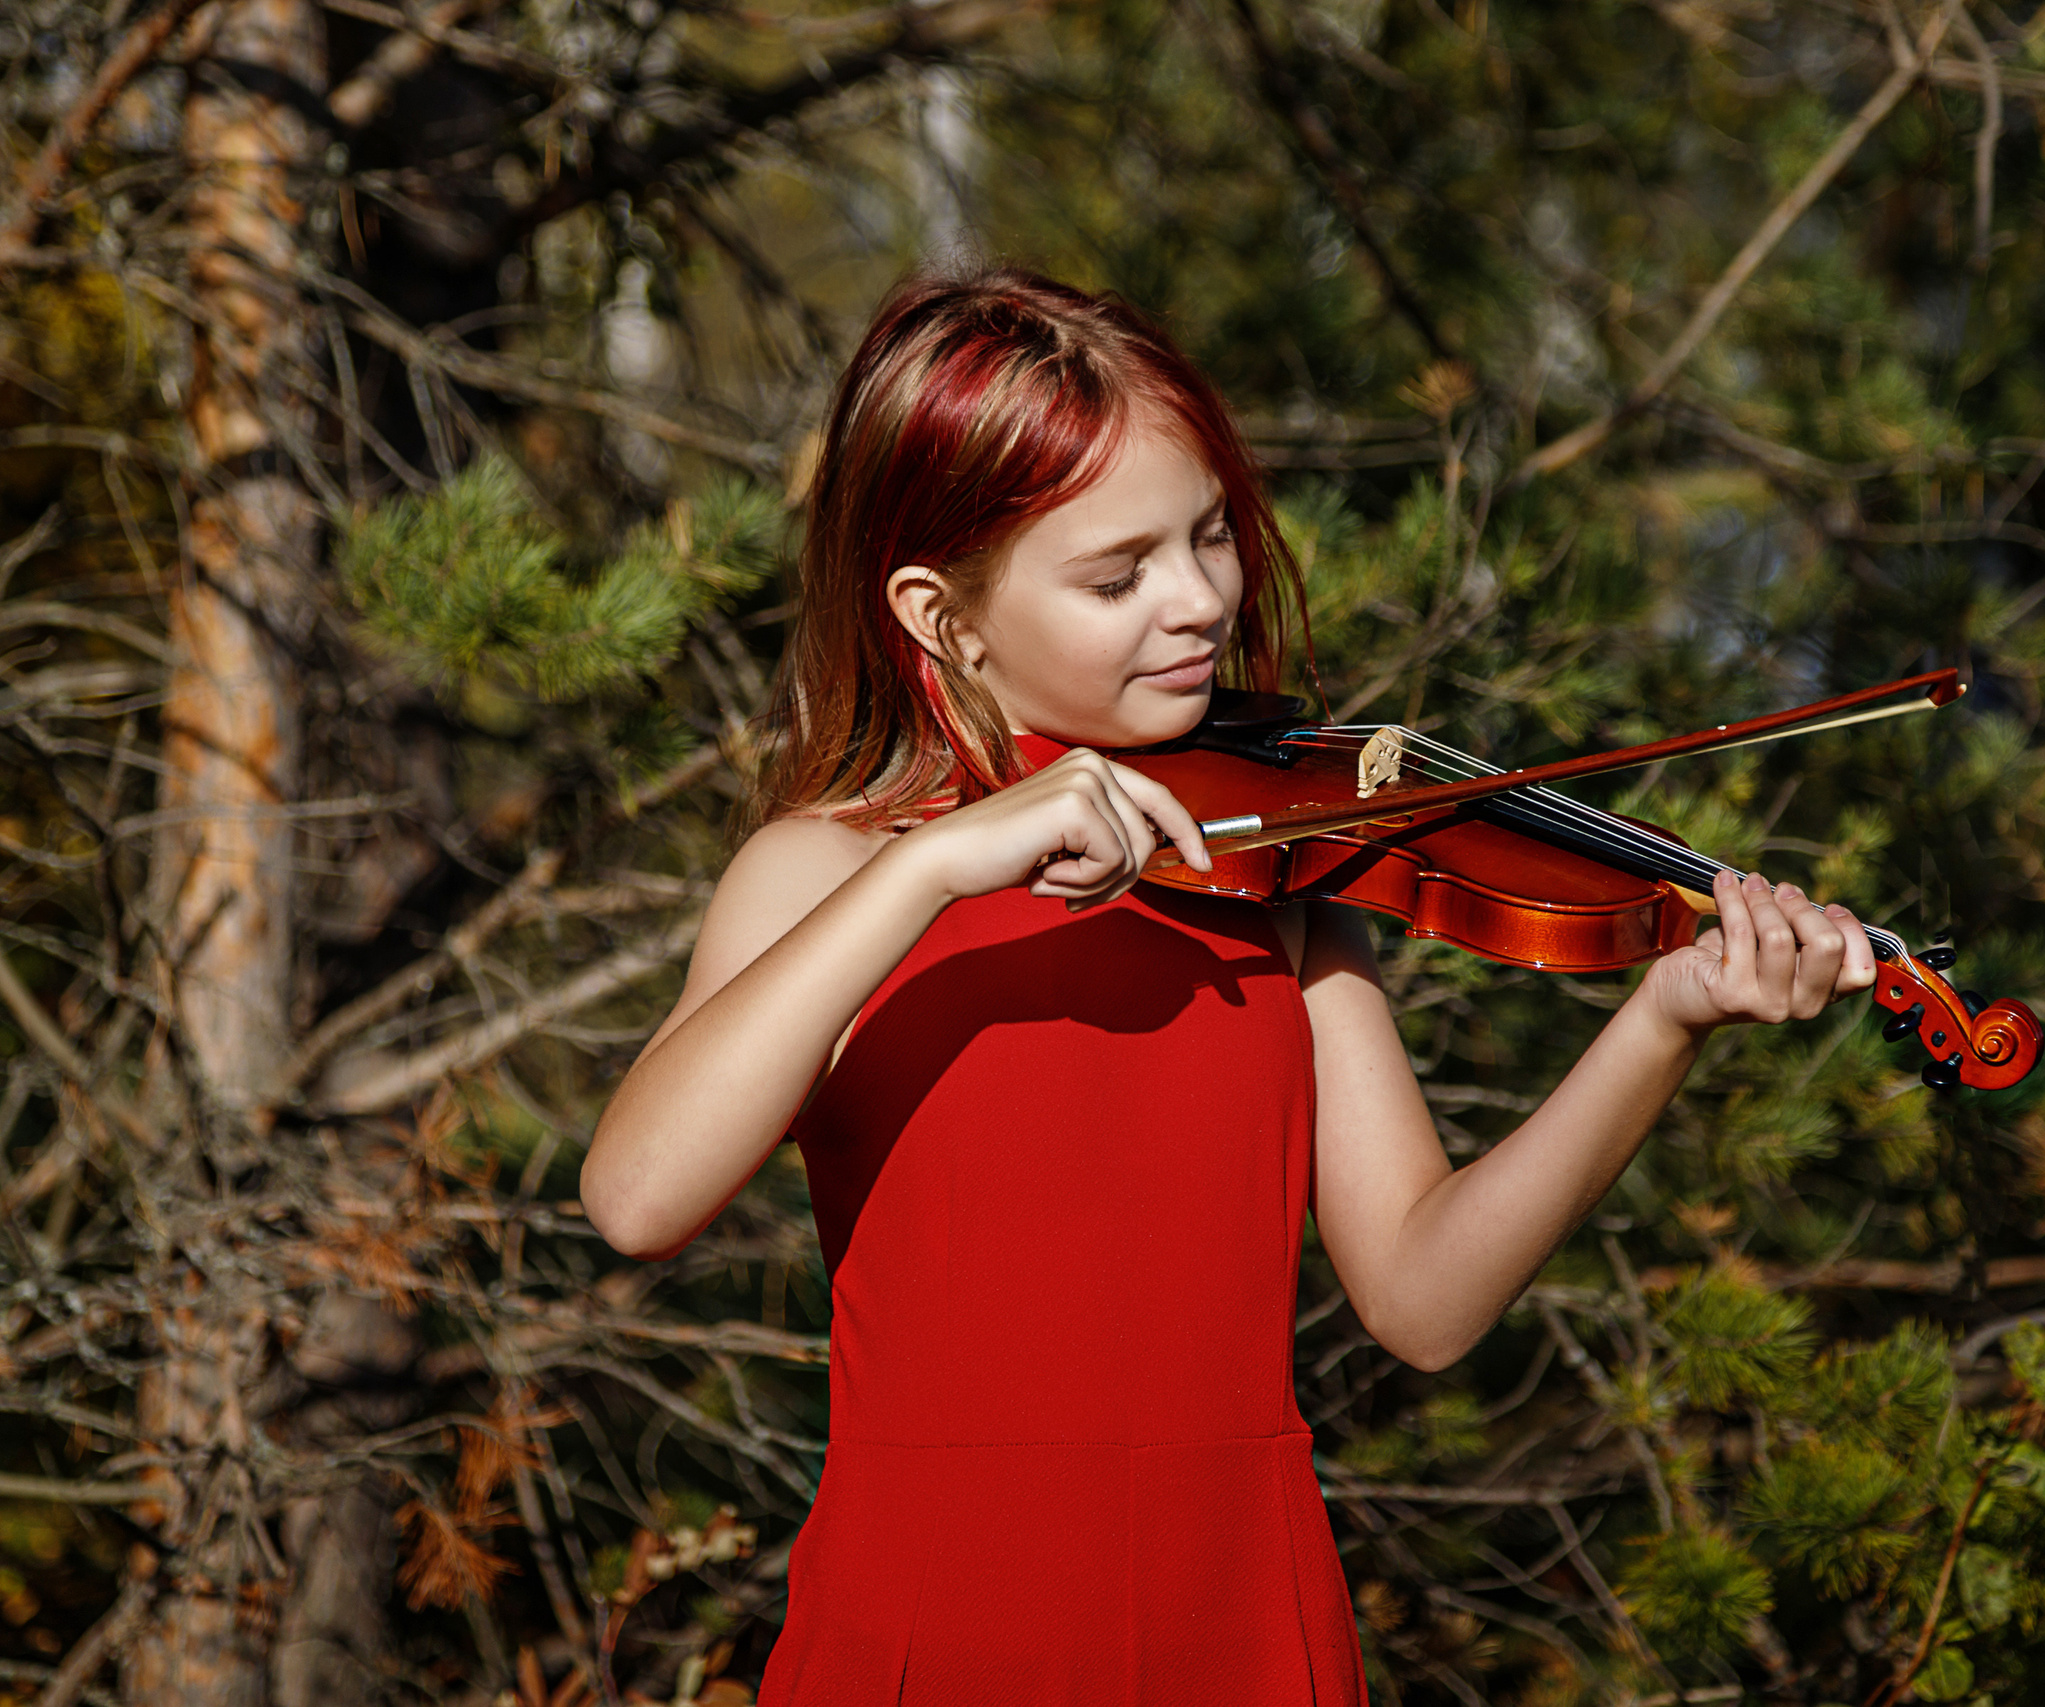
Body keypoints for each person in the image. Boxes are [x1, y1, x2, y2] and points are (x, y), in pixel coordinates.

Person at [580, 268, 1878, 1705]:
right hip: (934, 1632)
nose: (1201, 600)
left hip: (1245, 1630)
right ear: (943, 616)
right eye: (1117, 573)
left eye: (1208, 535)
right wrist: (930, 869)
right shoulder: (825, 877)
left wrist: (1662, 1019)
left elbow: (1427, 1300)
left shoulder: (1283, 874)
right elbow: (639, 1200)